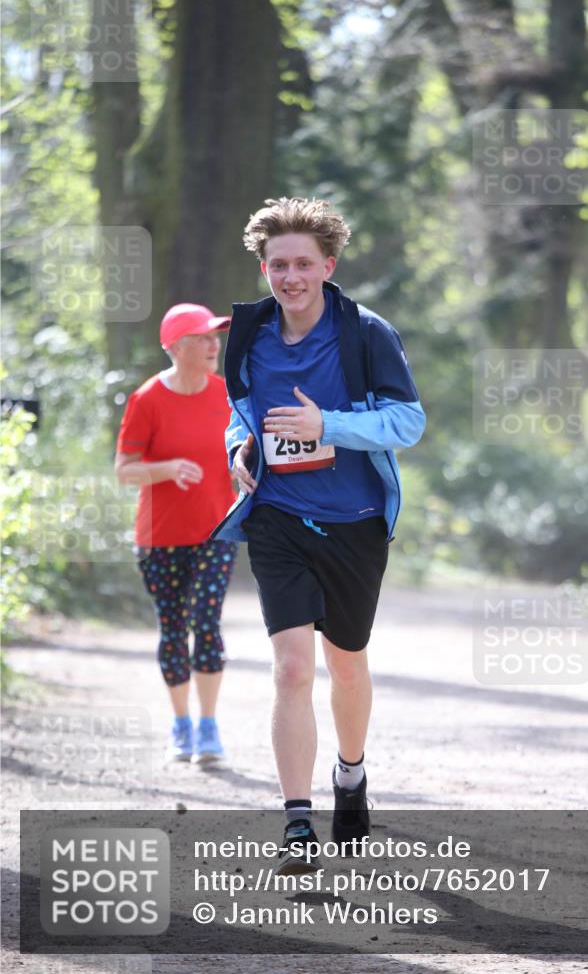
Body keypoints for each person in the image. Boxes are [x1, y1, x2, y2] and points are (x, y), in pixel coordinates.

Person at [211, 198, 425, 872]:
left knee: (346, 664)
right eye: (278, 265)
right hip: (277, 517)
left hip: (354, 523)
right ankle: (297, 824)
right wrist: (240, 450)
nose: (290, 276)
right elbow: (237, 417)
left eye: (303, 263)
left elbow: (407, 422)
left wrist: (327, 427)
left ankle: (351, 774)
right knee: (292, 668)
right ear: (264, 268)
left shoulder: (365, 334)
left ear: (328, 265)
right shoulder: (248, 335)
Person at [115, 303, 237, 765]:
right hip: (159, 537)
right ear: (176, 347)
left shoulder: (227, 396)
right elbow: (124, 471)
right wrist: (165, 469)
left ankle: (208, 726)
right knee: (173, 629)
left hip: (216, 532)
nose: (214, 345)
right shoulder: (146, 400)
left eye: (215, 337)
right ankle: (181, 723)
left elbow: (242, 456)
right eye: (204, 338)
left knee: (206, 623)